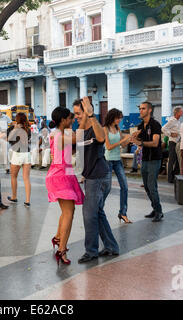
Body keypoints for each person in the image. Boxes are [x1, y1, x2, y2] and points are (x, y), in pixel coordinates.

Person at [73, 97, 119, 263]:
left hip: (99, 177)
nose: (76, 116)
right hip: (91, 176)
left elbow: (101, 139)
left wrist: (92, 116)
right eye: (75, 114)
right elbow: (83, 155)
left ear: (86, 111)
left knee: (89, 215)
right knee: (97, 213)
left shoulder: (95, 127)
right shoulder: (81, 130)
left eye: (78, 113)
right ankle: (111, 247)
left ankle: (91, 251)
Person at [45, 107, 84, 266]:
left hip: (62, 173)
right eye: (70, 118)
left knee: (68, 211)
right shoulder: (60, 135)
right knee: (69, 213)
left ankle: (58, 238)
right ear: (62, 120)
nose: (73, 120)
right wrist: (87, 115)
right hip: (60, 175)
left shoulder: (59, 133)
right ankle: (61, 249)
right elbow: (80, 136)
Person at [131, 101, 163, 222]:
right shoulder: (140, 126)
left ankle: (159, 211)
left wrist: (141, 143)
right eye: (140, 108)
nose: (140, 110)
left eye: (143, 108)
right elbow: (139, 139)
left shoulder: (155, 125)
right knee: (147, 187)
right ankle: (155, 208)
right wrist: (135, 137)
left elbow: (155, 143)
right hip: (145, 159)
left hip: (155, 159)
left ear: (149, 110)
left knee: (152, 186)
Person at [103, 108, 132, 224]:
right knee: (107, 188)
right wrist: (122, 141)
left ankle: (123, 213)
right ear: (112, 117)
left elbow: (123, 143)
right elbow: (109, 146)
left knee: (125, 186)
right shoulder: (105, 129)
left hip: (117, 160)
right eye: (118, 118)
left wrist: (130, 139)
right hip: (108, 160)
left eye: (120, 118)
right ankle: (98, 208)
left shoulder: (117, 128)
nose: (119, 120)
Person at [6, 113, 32, 207]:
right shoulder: (28, 129)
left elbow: (8, 139)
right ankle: (27, 200)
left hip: (17, 154)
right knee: (26, 178)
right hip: (27, 153)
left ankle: (14, 197)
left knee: (14, 177)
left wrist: (14, 128)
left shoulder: (13, 129)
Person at [162, 106, 183, 183]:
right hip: (172, 142)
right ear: (177, 113)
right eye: (181, 111)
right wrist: (170, 134)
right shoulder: (172, 120)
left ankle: (175, 175)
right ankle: (170, 178)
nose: (182, 112)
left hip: (178, 142)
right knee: (172, 160)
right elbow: (163, 128)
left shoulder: (178, 121)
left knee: (178, 160)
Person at [0, 105, 12, 174]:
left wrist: (8, 133)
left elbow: (11, 124)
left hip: (4, 137)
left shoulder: (5, 117)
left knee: (5, 153)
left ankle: (7, 168)